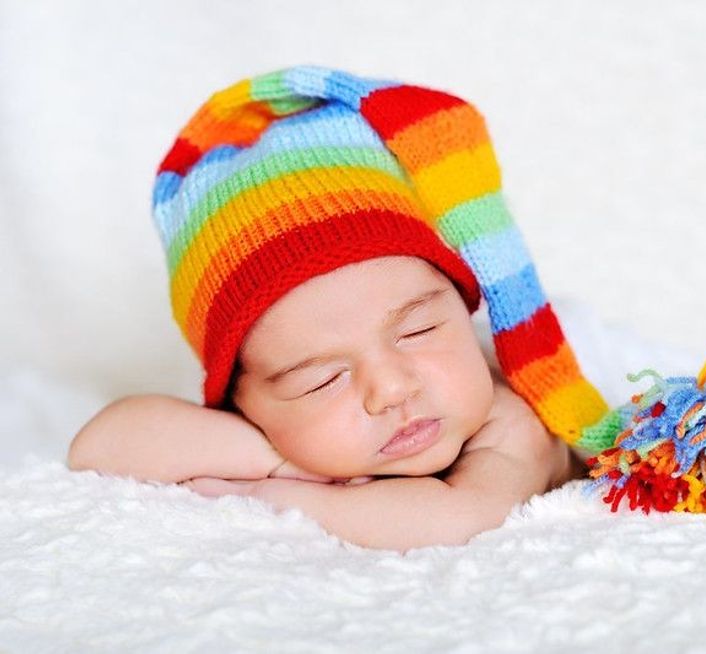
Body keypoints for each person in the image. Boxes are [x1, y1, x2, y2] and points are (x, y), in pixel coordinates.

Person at [67, 66, 611, 551]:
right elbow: (101, 445)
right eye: (321, 380)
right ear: (241, 400)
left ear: (464, 308)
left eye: (419, 330)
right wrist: (277, 455)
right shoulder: (279, 430)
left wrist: (278, 492)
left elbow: (462, 517)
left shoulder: (510, 417)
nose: (392, 389)